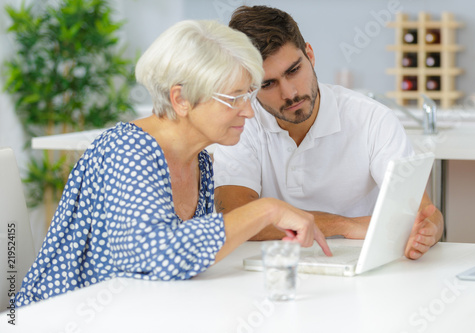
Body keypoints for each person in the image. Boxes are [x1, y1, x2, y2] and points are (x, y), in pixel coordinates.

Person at [15, 20, 332, 307]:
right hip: (57, 319)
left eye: (248, 95)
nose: (248, 112)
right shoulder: (124, 151)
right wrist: (266, 210)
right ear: (180, 99)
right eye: (233, 98)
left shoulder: (200, 162)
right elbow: (159, 257)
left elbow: (182, 267)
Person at [213, 5, 444, 260]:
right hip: (274, 271)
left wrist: (428, 230)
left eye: (294, 70)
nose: (289, 93)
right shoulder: (240, 125)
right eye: (268, 84)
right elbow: (235, 217)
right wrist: (345, 225)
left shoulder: (372, 119)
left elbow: (424, 212)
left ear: (310, 55)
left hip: (360, 267)